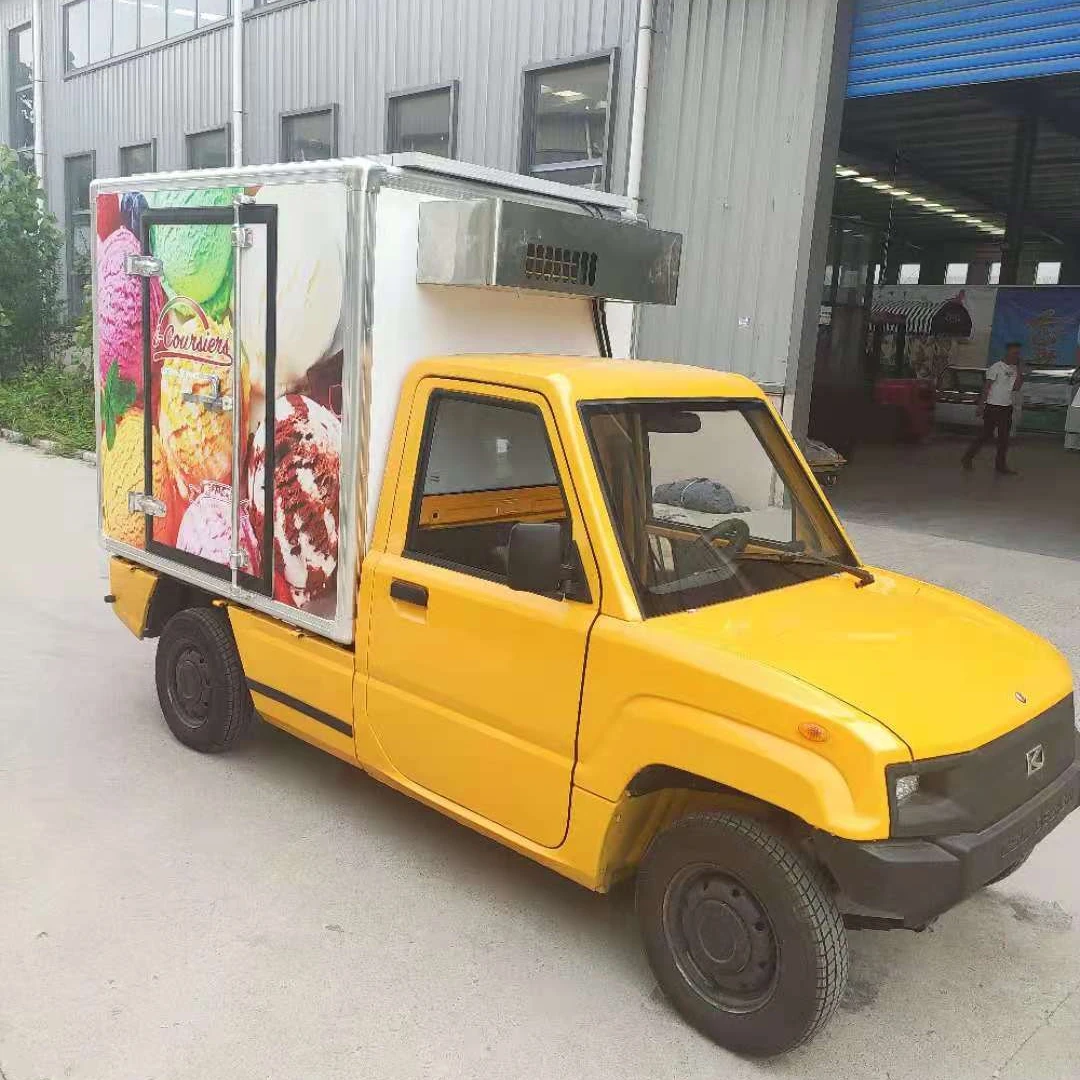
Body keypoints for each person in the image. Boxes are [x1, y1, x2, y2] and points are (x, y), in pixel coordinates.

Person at [962, 342, 1025, 475]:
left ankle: (1000, 465)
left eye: (1018, 354)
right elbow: (986, 387)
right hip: (993, 406)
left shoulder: (1014, 369)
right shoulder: (996, 367)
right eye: (1014, 353)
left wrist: (1020, 371)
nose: (1016, 356)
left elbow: (1016, 387)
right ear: (1007, 352)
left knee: (1004, 438)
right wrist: (981, 405)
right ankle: (967, 457)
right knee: (985, 435)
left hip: (1006, 407)